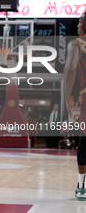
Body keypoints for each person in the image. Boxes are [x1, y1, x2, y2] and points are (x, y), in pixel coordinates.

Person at [63, 12, 86, 200]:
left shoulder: (76, 44)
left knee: (84, 142)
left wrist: (67, 97)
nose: (78, 25)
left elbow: (70, 68)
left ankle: (82, 186)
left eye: (80, 21)